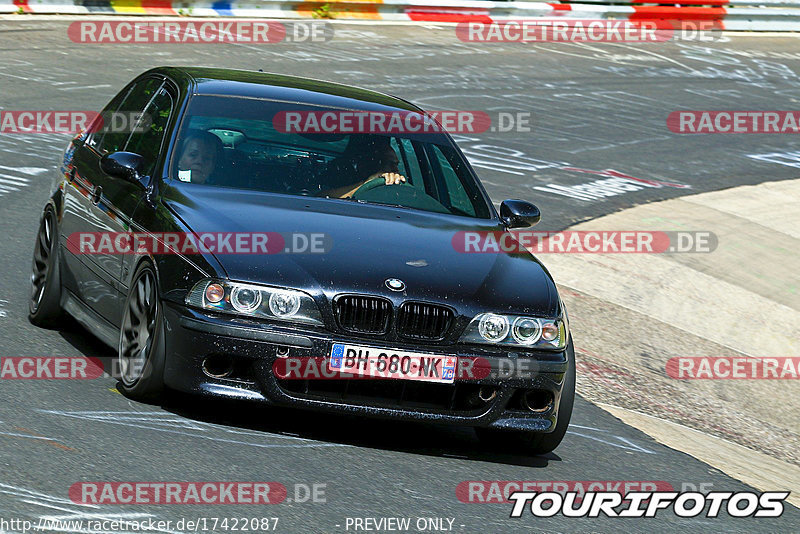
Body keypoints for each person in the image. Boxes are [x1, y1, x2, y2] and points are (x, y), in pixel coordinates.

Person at [318, 135, 407, 198]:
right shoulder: (337, 175)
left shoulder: (396, 189)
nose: (396, 170)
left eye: (396, 165)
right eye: (391, 164)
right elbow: (319, 198)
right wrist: (368, 183)